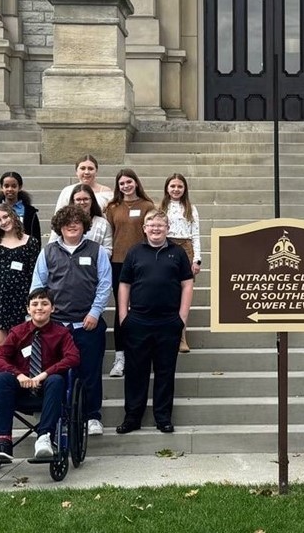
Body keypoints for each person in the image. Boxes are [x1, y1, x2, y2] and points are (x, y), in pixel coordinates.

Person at [30, 205, 112, 436]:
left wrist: (95, 312)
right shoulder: (48, 252)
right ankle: (60, 416)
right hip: (55, 326)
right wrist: (42, 316)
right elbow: (38, 286)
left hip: (87, 323)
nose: (72, 225)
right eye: (67, 222)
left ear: (84, 225)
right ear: (60, 227)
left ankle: (92, 416)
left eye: (77, 221)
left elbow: (105, 285)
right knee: (55, 374)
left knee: (90, 372)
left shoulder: (97, 251)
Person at [116, 209, 194, 434]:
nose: (156, 229)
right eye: (151, 225)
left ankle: (163, 418)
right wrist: (123, 316)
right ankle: (132, 417)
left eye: (160, 225)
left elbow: (187, 284)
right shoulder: (134, 252)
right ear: (145, 228)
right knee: (135, 372)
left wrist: (182, 318)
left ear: (167, 228)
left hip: (168, 321)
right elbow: (124, 285)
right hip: (138, 321)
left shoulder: (177, 252)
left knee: (165, 372)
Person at [0, 288, 80, 460]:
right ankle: (3, 441)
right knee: (2, 377)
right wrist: (18, 375)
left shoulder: (62, 333)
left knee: (57, 380)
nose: (39, 308)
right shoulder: (17, 332)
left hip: (48, 390)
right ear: (28, 309)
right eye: (34, 304)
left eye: (44, 304)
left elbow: (73, 357)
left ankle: (44, 438)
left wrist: (44, 374)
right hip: (19, 389)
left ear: (52, 308)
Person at [105, 168, 156, 377]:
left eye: (129, 182)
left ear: (136, 183)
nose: (126, 186)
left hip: (142, 263)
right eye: (122, 183)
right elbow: (109, 234)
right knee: (122, 310)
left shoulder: (147, 206)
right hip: (118, 263)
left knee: (143, 307)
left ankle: (142, 353)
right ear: (118, 186)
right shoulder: (112, 207)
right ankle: (120, 357)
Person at [0, 204, 42, 355]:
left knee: (22, 347)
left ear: (13, 216)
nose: (3, 221)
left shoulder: (31, 242)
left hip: (20, 299)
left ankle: (20, 377)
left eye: (6, 216)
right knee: (2, 349)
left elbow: (34, 272)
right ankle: (3, 377)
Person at [161, 173, 202, 353]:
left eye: (179, 186)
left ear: (184, 189)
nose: (176, 189)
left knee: (182, 295)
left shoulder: (191, 208)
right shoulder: (161, 207)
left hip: (185, 247)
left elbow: (196, 234)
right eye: (173, 186)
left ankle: (181, 336)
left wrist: (197, 259)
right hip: (166, 245)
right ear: (167, 188)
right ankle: (165, 334)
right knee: (166, 292)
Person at [48, 184, 112, 253]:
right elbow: (52, 245)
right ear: (73, 201)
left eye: (85, 199)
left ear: (92, 200)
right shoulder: (63, 221)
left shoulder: (103, 223)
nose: (82, 202)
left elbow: (107, 249)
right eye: (78, 199)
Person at [0, 171, 41, 240]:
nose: (10, 189)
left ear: (20, 187)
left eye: (14, 186)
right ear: (1, 188)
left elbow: (36, 238)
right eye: (6, 186)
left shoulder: (30, 212)